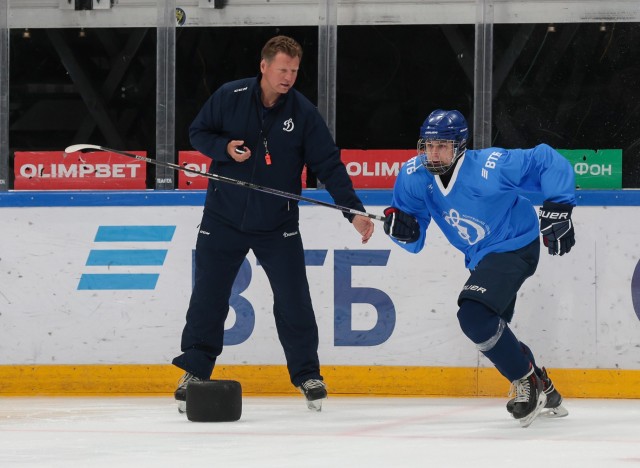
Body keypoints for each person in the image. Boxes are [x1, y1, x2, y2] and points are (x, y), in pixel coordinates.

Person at [172, 35, 374, 413]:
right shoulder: (230, 96)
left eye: (294, 71)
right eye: (283, 69)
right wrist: (224, 149)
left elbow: (328, 164)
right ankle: (195, 371)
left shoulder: (303, 113)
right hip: (222, 218)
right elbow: (198, 131)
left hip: (277, 224)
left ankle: (307, 374)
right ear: (263, 66)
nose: (289, 77)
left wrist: (354, 210)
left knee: (294, 299)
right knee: (208, 297)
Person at [383, 109, 575, 427]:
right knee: (490, 327)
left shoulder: (490, 165)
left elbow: (545, 159)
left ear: (460, 146)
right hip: (480, 258)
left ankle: (526, 383)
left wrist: (559, 206)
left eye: (442, 145)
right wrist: (403, 230)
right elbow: (413, 231)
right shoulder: (413, 175)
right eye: (428, 144)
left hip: (516, 244)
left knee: (473, 315)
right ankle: (545, 386)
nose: (433, 152)